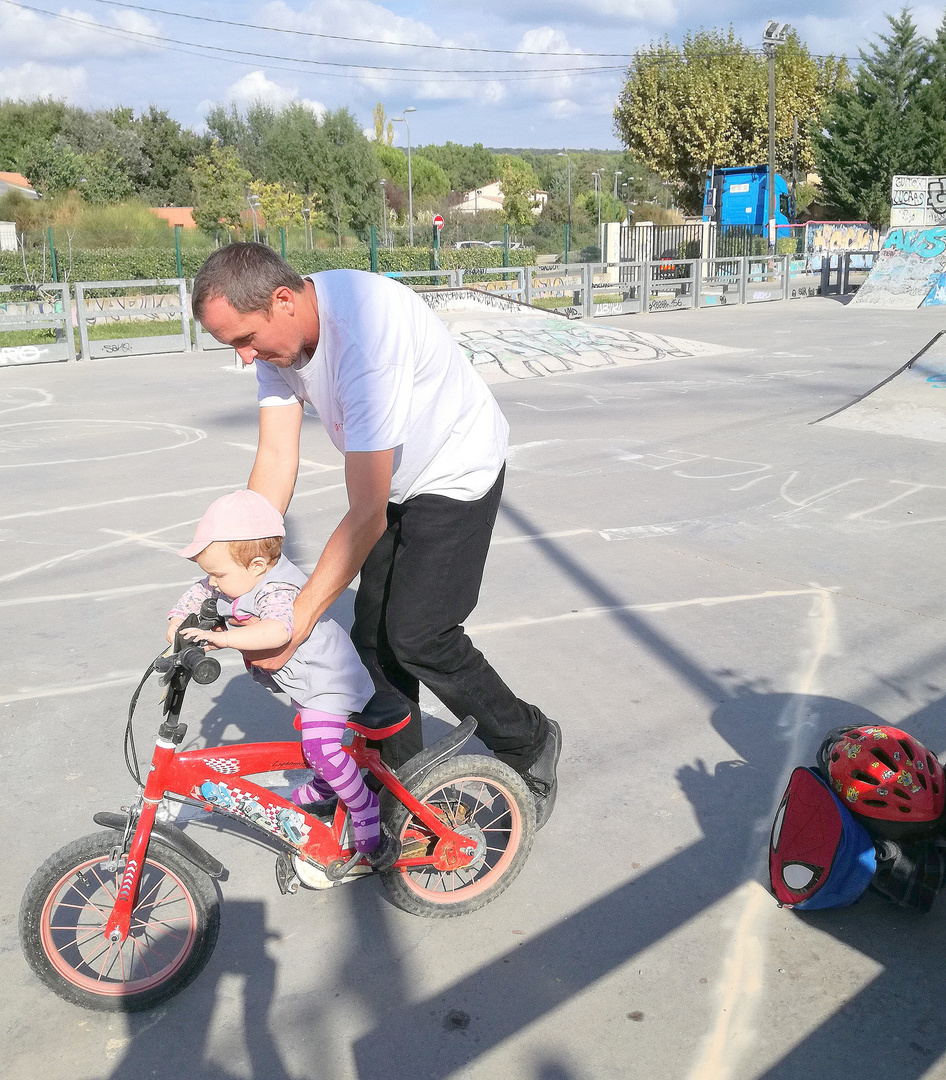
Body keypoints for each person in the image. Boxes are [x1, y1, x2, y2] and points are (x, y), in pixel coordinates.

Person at [190, 243, 561, 828]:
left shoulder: (364, 333)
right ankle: (403, 788)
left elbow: (365, 513)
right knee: (370, 640)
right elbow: (276, 455)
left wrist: (295, 620)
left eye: (244, 340)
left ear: (283, 300)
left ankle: (527, 740)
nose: (243, 358)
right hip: (391, 481)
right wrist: (240, 567)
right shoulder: (276, 341)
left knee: (420, 635)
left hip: (454, 471)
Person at [166, 488, 398, 866]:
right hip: (302, 681)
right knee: (312, 744)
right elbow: (195, 596)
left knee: (322, 748)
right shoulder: (233, 577)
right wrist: (177, 624)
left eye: (218, 573)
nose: (213, 582)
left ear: (257, 565)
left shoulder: (276, 588)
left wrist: (221, 638)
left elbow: (277, 632)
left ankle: (365, 810)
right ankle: (326, 787)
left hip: (328, 681)